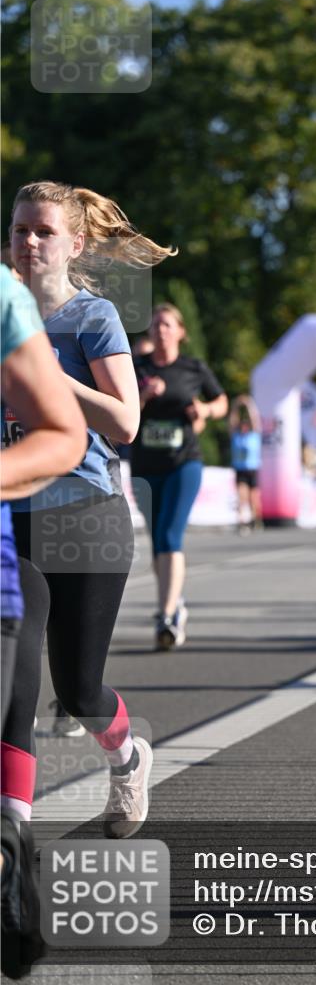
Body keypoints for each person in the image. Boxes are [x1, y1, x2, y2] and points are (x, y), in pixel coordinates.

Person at [2, 180, 175, 841]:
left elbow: (126, 421)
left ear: (74, 243)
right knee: (14, 687)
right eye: (20, 230)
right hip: (13, 515)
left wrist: (50, 377)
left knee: (78, 691)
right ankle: (11, 841)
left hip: (86, 517)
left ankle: (128, 759)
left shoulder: (90, 319)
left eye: (43, 231)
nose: (29, 243)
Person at [1, 264, 87, 980]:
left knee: (77, 686)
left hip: (80, 522)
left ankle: (10, 843)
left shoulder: (4, 299)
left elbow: (69, 434)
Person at [131, 303, 227, 648]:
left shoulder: (192, 368)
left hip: (184, 462)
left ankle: (166, 615)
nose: (161, 330)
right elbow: (120, 409)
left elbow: (221, 403)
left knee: (171, 535)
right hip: (144, 467)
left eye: (168, 325)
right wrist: (143, 395)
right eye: (155, 324)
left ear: (181, 332)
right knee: (158, 542)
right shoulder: (135, 367)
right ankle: (175, 604)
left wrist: (204, 409)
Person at [229, 395, 262, 534]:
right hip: (240, 469)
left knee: (254, 497)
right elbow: (232, 421)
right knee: (241, 496)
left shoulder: (253, 435)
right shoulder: (236, 436)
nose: (243, 427)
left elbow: (255, 420)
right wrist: (236, 405)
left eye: (245, 425)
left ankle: (256, 520)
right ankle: (242, 521)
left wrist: (249, 405)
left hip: (252, 469)